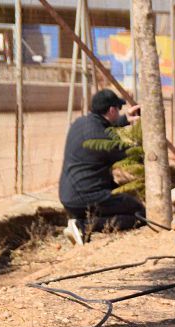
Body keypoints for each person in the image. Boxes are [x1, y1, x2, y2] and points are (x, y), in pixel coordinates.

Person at [58, 89, 144, 245]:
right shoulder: (104, 141)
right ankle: (82, 225)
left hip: (68, 195)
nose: (119, 112)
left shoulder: (80, 123)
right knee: (139, 212)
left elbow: (101, 127)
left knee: (122, 202)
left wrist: (125, 119)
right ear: (111, 110)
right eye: (118, 109)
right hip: (88, 196)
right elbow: (133, 155)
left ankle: (80, 222)